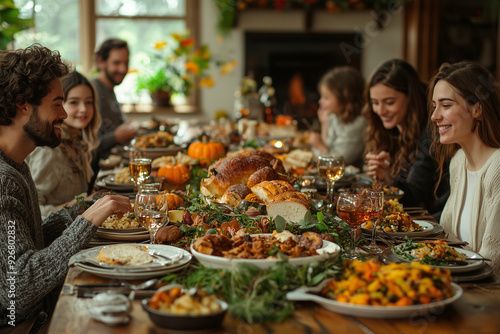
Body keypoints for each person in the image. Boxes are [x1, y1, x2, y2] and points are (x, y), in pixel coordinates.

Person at [0, 45, 132, 331]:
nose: (64, 113)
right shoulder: (3, 181)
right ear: (23, 104)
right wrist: (86, 222)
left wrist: (75, 213)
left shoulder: (16, 164)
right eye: (57, 103)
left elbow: (29, 247)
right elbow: (16, 292)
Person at [429, 61, 500, 275]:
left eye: (446, 105)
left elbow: (493, 261)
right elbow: (449, 241)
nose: (434, 116)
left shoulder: (497, 168)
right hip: (460, 283)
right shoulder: (459, 161)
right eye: (434, 106)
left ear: (477, 108)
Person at [363, 59, 449, 220]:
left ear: (410, 97)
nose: (380, 110)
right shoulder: (390, 129)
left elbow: (414, 198)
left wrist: (388, 178)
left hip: (430, 223)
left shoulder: (432, 131)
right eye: (375, 103)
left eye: (389, 102)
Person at [27, 71, 100, 219]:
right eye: (74, 102)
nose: (84, 109)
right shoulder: (50, 150)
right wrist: (80, 204)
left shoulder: (76, 143)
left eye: (89, 102)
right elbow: (32, 212)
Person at [91, 38, 137, 189]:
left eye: (126, 63)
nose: (123, 69)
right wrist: (116, 136)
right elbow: (86, 146)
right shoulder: (92, 92)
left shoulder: (109, 89)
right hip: (99, 179)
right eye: (117, 63)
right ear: (101, 61)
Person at [308, 66, 367, 167]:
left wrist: (319, 146)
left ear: (345, 97)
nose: (320, 101)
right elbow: (318, 157)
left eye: (326, 97)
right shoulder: (334, 116)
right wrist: (324, 125)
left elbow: (335, 164)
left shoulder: (358, 124)